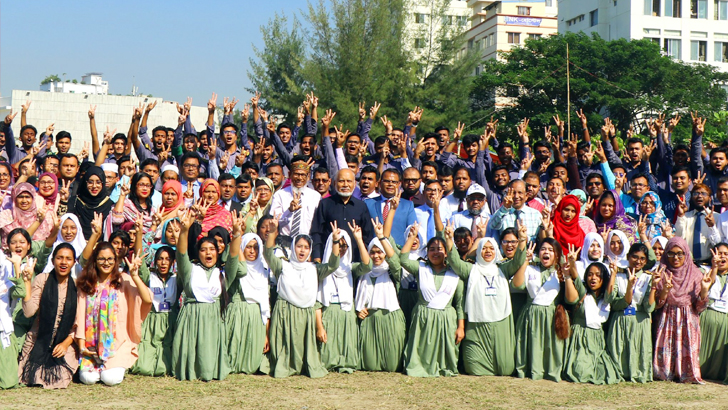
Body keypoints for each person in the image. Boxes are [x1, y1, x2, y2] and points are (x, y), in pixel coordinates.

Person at [444, 222, 528, 376]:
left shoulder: (503, 268)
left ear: (496, 251)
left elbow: (517, 261)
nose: (487, 251)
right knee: (473, 368)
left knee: (506, 368)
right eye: (484, 248)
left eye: (491, 248)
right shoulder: (471, 270)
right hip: (477, 323)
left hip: (500, 321)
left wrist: (522, 240)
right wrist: (449, 239)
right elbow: (455, 262)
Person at [263, 217, 340, 378]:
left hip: (306, 315)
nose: (302, 250)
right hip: (285, 312)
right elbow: (268, 254)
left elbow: (333, 265)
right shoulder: (283, 266)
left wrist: (335, 242)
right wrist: (271, 232)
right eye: (299, 246)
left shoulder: (315, 269)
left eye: (306, 247)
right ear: (293, 248)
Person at [172, 208, 244, 381]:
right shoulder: (190, 269)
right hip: (191, 316)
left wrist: (236, 233)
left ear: (218, 252)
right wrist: (184, 230)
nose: (208, 253)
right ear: (198, 252)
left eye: (212, 249)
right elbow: (181, 254)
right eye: (203, 249)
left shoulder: (224, 273)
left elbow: (234, 258)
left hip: (213, 317)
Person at [75, 238, 152, 386]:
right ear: (95, 260)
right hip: (91, 345)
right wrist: (82, 346)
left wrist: (135, 276)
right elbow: (79, 315)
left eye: (110, 259)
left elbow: (147, 299)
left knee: (110, 379)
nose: (106, 262)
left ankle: (115, 364)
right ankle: (97, 366)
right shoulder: (87, 283)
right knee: (88, 379)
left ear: (116, 260)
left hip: (117, 344)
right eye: (102, 259)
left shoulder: (123, 280)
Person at [399, 228, 465, 377]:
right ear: (426, 252)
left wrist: (461, 327)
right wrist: (411, 238)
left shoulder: (455, 274)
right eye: (431, 249)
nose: (435, 253)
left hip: (446, 318)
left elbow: (460, 304)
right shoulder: (420, 268)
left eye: (439, 249)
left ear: (446, 253)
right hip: (423, 316)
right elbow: (403, 259)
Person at [16, 244, 77, 389]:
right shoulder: (42, 279)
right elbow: (29, 312)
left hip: (64, 342)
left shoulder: (77, 285)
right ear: (53, 260)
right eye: (59, 258)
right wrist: (27, 282)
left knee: (59, 378)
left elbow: (80, 323)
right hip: (39, 339)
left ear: (74, 262)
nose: (63, 262)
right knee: (33, 377)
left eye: (68, 259)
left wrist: (65, 344)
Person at [653, 237, 712, 383]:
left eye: (680, 253)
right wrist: (665, 291)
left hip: (688, 319)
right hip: (666, 317)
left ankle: (686, 373)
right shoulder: (661, 272)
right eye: (671, 253)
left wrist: (704, 290)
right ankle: (665, 372)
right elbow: (657, 305)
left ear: (686, 254)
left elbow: (699, 307)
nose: (676, 258)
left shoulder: (696, 274)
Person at [512, 238, 568, 382]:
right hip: (531, 313)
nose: (546, 252)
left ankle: (551, 370)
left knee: (551, 344)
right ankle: (529, 368)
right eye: (543, 249)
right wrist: (525, 261)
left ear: (556, 254)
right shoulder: (531, 268)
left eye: (551, 250)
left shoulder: (561, 271)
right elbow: (517, 285)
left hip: (552, 314)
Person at [562, 256, 622, 385]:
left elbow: (610, 295)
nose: (593, 278)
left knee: (606, 372)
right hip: (581, 337)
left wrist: (613, 274)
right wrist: (572, 264)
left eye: (597, 275)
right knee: (580, 372)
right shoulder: (583, 292)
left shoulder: (604, 299)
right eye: (590, 275)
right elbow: (577, 279)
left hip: (597, 339)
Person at [130, 246, 179, 377]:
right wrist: (140, 231)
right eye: (160, 259)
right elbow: (140, 268)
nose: (163, 263)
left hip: (170, 321)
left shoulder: (176, 278)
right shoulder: (149, 277)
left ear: (173, 262)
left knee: (165, 367)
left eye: (168, 259)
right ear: (155, 261)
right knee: (143, 368)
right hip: (151, 320)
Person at [226, 233, 271, 374]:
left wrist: (266, 334)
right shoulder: (236, 268)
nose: (252, 251)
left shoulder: (262, 272)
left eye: (256, 248)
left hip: (256, 317)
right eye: (248, 247)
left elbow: (265, 306)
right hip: (237, 313)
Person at [699, 243, 728, 382]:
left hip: (725, 318)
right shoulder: (705, 271)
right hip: (707, 314)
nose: (722, 256)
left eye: (726, 254)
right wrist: (715, 267)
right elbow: (705, 289)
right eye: (719, 253)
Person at [66, 166, 114, 240]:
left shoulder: (109, 204)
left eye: (98, 182)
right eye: (90, 182)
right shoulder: (75, 201)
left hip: (100, 247)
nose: (94, 186)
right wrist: (63, 201)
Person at [0, 251, 25, 389]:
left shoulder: (6, 284)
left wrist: (17, 266)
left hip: (3, 332)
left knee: (8, 381)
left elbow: (21, 292)